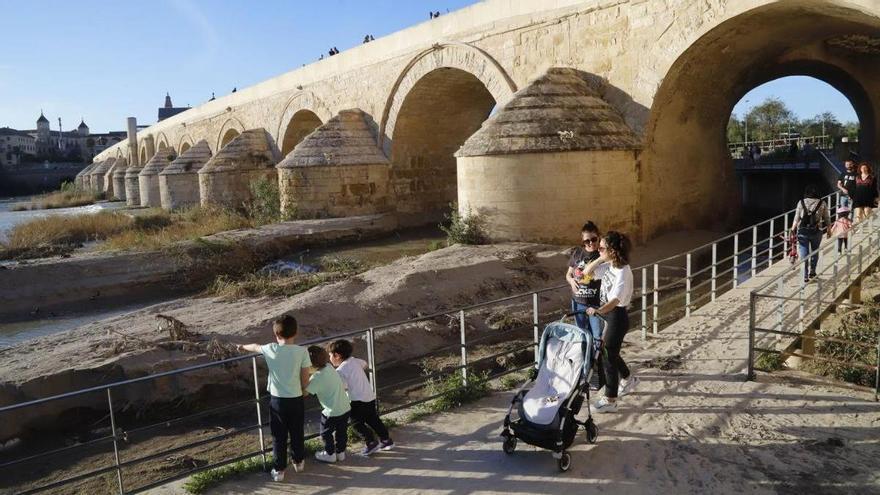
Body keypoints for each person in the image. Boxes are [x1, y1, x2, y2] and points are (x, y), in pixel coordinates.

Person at [237, 315, 311, 482]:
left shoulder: (271, 348)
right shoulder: (302, 351)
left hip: (277, 400)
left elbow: (255, 347)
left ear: (276, 335)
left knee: (279, 435)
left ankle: (279, 470)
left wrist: (241, 346)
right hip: (296, 398)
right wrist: (304, 390)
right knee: (297, 431)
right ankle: (299, 462)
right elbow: (305, 378)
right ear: (296, 332)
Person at [583, 231, 638, 413]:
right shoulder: (610, 266)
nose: (598, 250)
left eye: (601, 248)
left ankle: (611, 399)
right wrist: (601, 258)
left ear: (613, 250)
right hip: (607, 314)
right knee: (610, 352)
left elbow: (615, 300)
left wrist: (598, 311)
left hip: (616, 316)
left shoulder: (623, 271)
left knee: (608, 357)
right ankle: (629, 378)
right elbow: (586, 273)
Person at [328, 339, 394, 456]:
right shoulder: (354, 360)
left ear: (337, 355)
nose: (329, 358)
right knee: (373, 419)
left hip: (357, 400)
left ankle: (371, 442)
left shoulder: (340, 370)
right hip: (369, 396)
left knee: (355, 423)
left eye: (330, 355)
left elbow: (343, 387)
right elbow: (364, 364)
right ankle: (386, 440)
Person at [306, 345, 352, 464]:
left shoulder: (316, 378)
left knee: (325, 433)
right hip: (345, 407)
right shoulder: (329, 367)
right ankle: (340, 452)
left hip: (331, 412)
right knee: (341, 432)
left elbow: (304, 393)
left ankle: (329, 453)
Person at [565, 221, 603, 343]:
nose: (591, 243)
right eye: (587, 241)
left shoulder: (602, 254)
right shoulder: (577, 253)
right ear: (583, 241)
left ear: (598, 238)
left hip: (596, 303)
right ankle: (586, 360)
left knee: (597, 336)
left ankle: (597, 361)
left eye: (593, 239)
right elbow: (568, 274)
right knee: (582, 335)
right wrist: (571, 281)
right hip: (578, 301)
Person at [790, 184, 831, 283]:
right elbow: (826, 217)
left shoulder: (801, 202)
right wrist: (829, 229)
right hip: (817, 230)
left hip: (802, 230)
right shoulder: (822, 203)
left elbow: (797, 217)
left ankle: (804, 275)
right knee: (815, 251)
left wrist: (792, 230)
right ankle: (812, 272)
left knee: (804, 253)